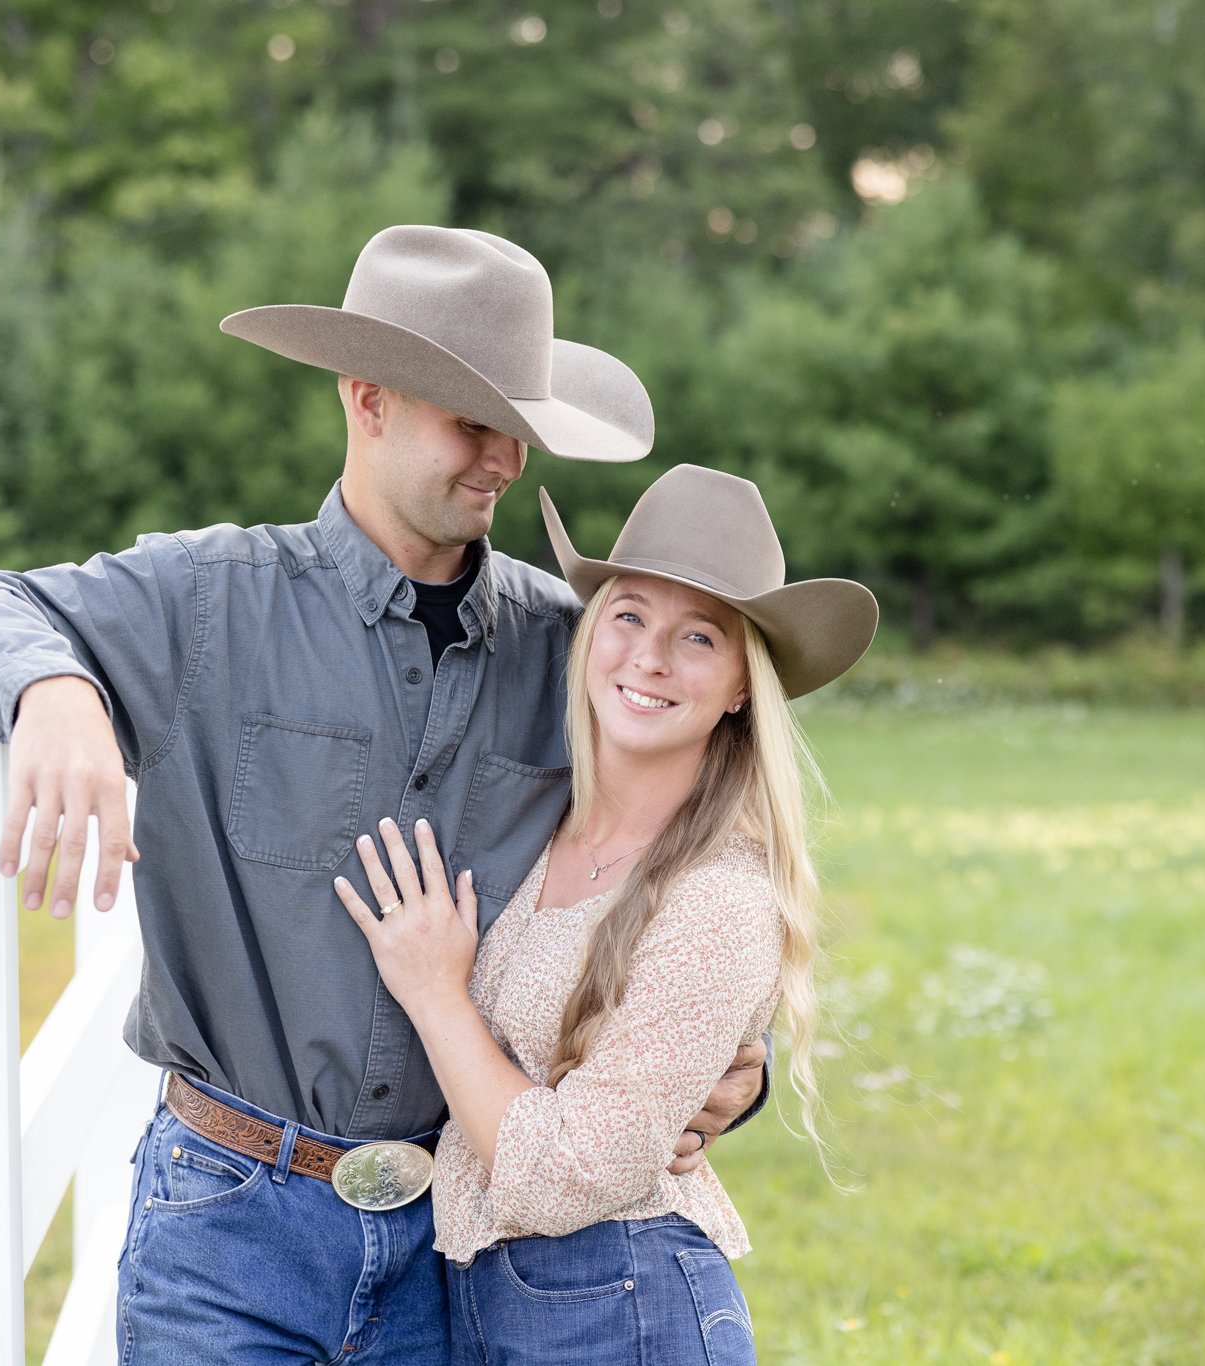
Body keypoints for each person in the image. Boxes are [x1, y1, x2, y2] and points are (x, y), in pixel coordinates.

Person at [0, 226, 767, 1363]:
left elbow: (684, 848)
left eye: (517, 428)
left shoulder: (571, 648)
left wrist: (727, 1068)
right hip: (226, 1229)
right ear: (367, 400)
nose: (502, 458)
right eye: (470, 422)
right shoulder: (209, 601)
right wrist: (54, 688)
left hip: (444, 1251)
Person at [335, 465, 878, 1364]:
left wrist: (436, 992)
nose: (651, 658)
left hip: (625, 1315)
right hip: (483, 1310)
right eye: (628, 615)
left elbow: (561, 1179)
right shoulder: (530, 829)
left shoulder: (719, 898)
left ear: (743, 685)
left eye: (699, 637)